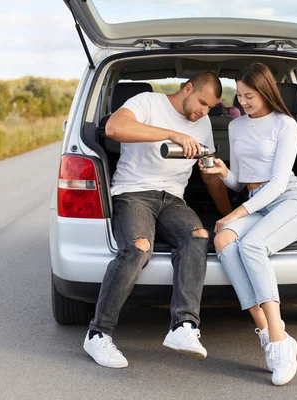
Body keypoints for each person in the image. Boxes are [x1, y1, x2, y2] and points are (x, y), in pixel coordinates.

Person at [84, 71, 231, 369]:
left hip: (173, 199)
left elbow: (208, 174)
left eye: (209, 108)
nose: (203, 112)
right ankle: (98, 334)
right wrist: (170, 134)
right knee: (138, 247)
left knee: (198, 236)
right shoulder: (148, 103)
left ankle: (183, 327)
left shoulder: (201, 123)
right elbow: (114, 127)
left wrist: (228, 214)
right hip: (133, 193)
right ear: (187, 88)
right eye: (201, 103)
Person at [199, 63, 297, 386]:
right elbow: (240, 184)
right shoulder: (236, 127)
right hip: (255, 202)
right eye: (240, 95)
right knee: (223, 241)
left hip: (287, 200)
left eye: (249, 96)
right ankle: (266, 327)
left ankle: (278, 342)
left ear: (265, 92)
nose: (243, 102)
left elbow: (276, 184)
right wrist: (223, 171)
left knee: (250, 245)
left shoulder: (285, 124)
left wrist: (235, 214)